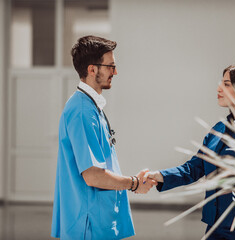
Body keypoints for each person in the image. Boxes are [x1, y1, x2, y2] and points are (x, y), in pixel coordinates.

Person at [144, 65, 235, 240]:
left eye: (227, 84)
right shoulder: (218, 130)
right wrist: (160, 176)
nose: (219, 88)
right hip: (215, 226)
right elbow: (194, 168)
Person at [51, 35, 157, 240]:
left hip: (95, 222)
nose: (115, 72)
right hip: (88, 225)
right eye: (110, 66)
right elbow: (93, 175)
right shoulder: (82, 111)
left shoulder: (90, 107)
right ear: (92, 70)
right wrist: (134, 183)